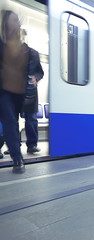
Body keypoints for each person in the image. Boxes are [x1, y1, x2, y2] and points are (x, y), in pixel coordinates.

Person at [0, 10, 42, 173]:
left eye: (18, 21)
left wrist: (34, 78)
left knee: (15, 122)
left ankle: (19, 150)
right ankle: (18, 159)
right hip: (4, 91)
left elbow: (38, 71)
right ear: (6, 24)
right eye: (14, 20)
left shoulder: (28, 50)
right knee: (10, 121)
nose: (18, 23)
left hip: (21, 92)